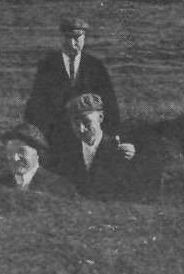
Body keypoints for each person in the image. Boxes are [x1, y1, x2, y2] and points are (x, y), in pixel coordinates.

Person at [24, 17, 120, 173]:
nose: (72, 43)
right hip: (57, 136)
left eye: (77, 38)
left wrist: (113, 133)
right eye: (67, 38)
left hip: (87, 133)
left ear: (84, 38)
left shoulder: (95, 66)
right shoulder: (48, 65)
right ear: (60, 38)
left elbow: (109, 102)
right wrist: (31, 135)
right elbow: (36, 101)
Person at [57, 93, 135, 199]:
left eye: (86, 122)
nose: (81, 129)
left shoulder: (118, 148)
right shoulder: (66, 151)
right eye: (76, 123)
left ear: (100, 117)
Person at [0, 122, 76, 198]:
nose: (15, 158)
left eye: (21, 151)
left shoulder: (60, 186)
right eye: (10, 152)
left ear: (38, 153)